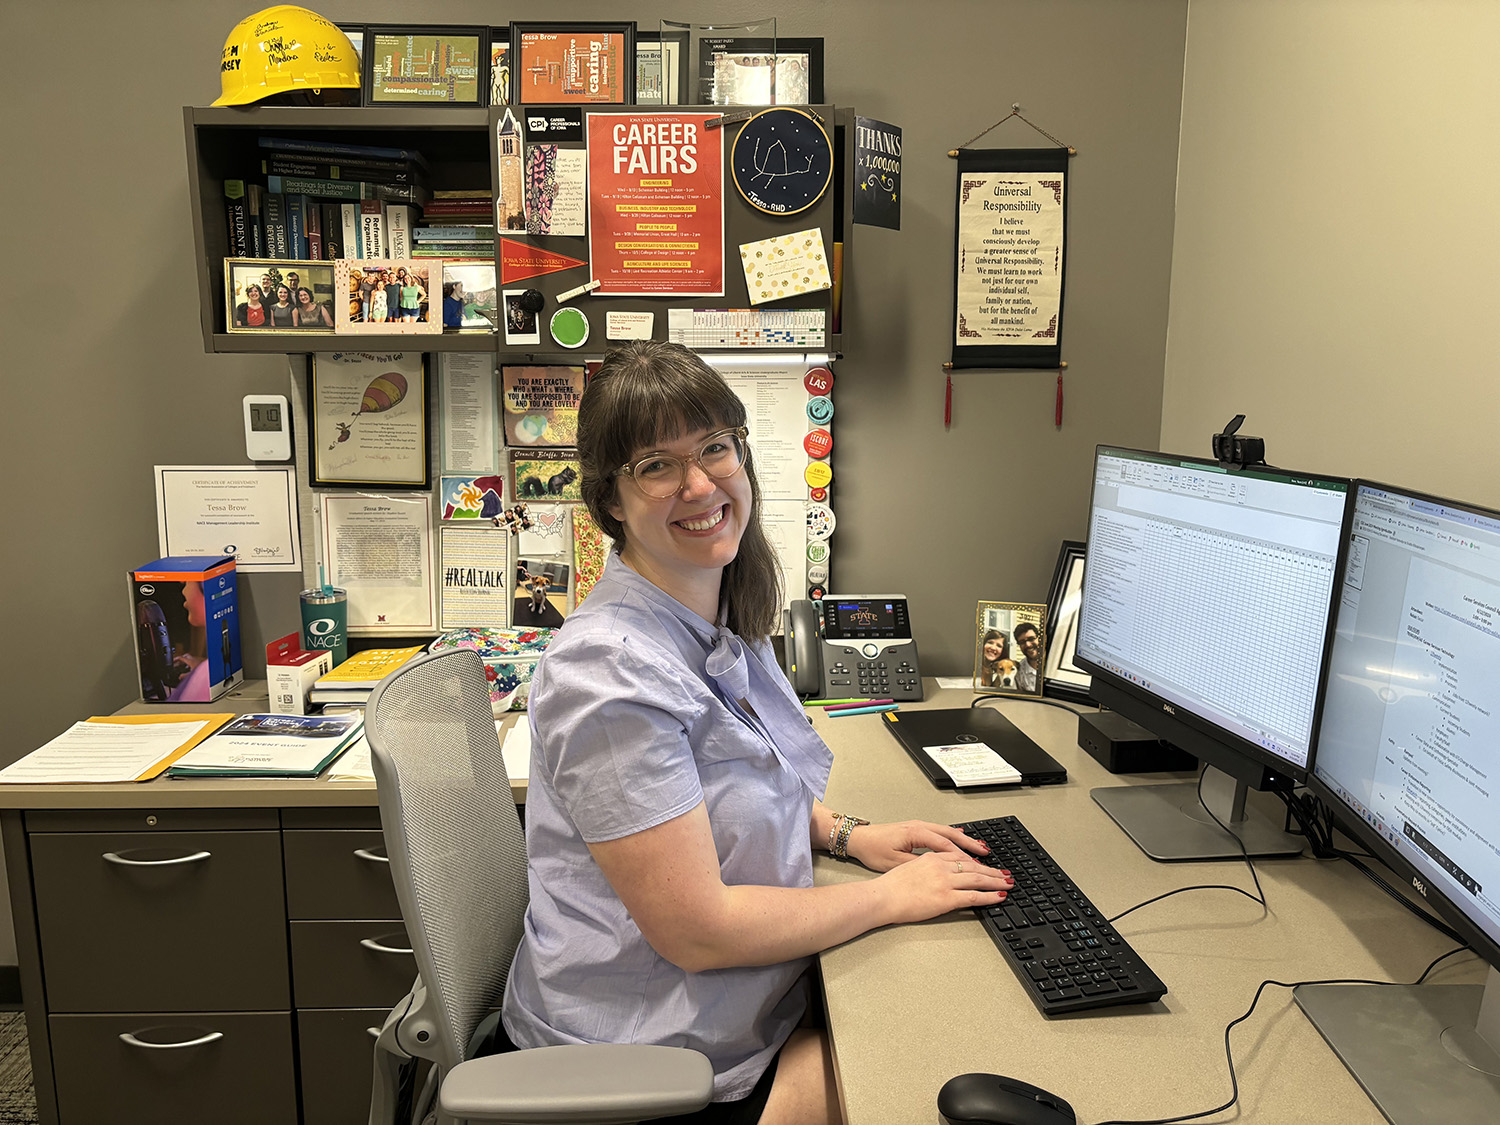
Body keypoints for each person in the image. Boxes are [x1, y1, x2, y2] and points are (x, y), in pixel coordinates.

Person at [501, 341, 1012, 1124]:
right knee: (916, 1075)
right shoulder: (608, 675)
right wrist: (890, 897)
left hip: (732, 1015)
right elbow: (699, 930)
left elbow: (731, 785)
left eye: (714, 447)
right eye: (657, 465)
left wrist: (846, 836)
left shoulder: (710, 621)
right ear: (611, 500)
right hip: (646, 1066)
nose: (700, 483)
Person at [1013, 621, 1042, 692]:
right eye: (1022, 642)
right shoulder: (1019, 672)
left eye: (1031, 639)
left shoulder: (1054, 661)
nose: (1028, 645)